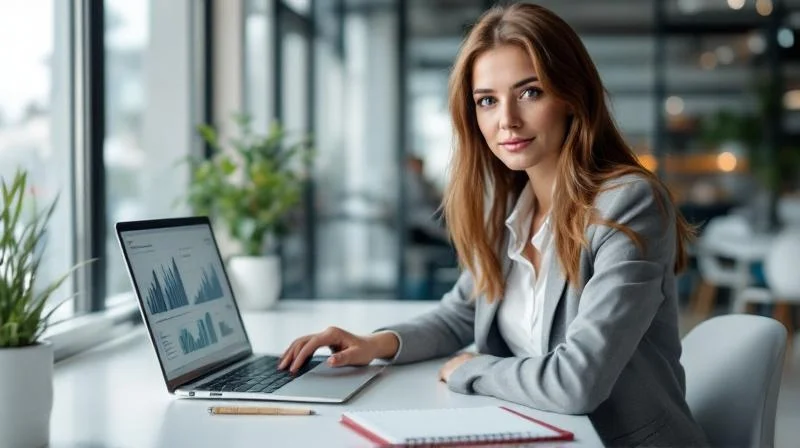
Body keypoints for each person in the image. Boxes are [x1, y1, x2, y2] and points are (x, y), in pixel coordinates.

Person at [278, 3, 707, 446]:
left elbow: (578, 381)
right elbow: (458, 314)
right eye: (487, 100)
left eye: (530, 92)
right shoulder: (511, 210)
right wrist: (374, 343)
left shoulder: (626, 203)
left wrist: (473, 369)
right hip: (537, 430)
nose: (507, 120)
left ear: (572, 97)